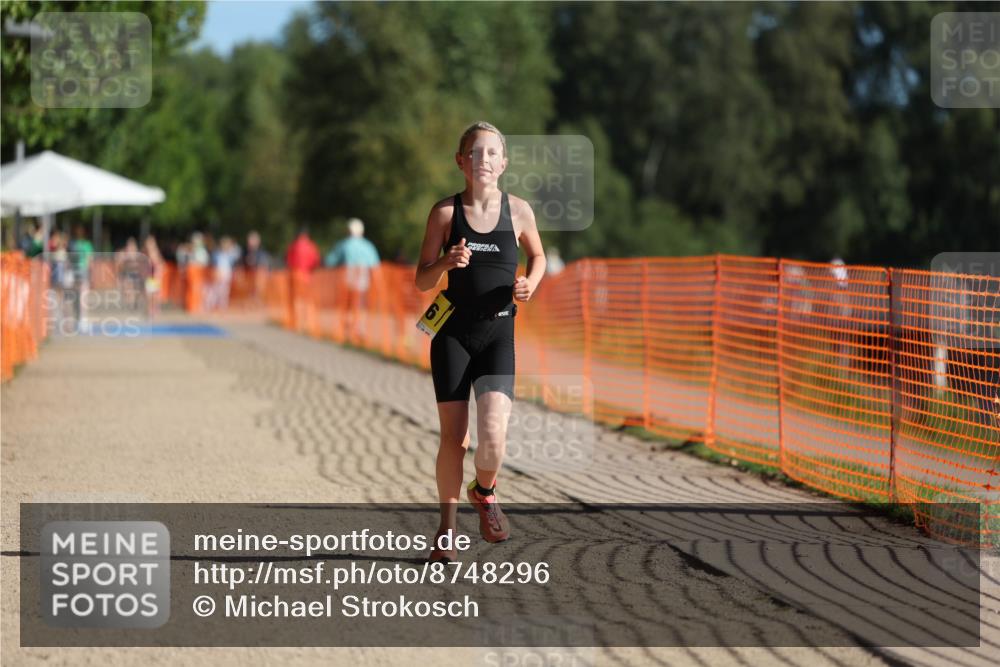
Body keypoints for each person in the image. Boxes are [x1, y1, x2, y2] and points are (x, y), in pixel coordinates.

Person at [415, 121, 546, 562]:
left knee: (493, 436)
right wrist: (446, 261)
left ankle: (484, 491)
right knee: (455, 439)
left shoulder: (520, 211)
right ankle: (446, 531)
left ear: (503, 163)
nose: (483, 160)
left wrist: (532, 281)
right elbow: (420, 281)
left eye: (492, 154)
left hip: (497, 334)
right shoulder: (445, 214)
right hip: (452, 334)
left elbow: (539, 256)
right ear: (461, 161)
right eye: (475, 153)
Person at [326, 218, 381, 340]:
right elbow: (375, 267)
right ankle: (358, 330)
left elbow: (330, 261)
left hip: (346, 278)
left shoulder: (343, 245)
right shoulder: (368, 246)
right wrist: (378, 286)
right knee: (360, 304)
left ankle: (347, 330)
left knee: (346, 304)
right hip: (362, 280)